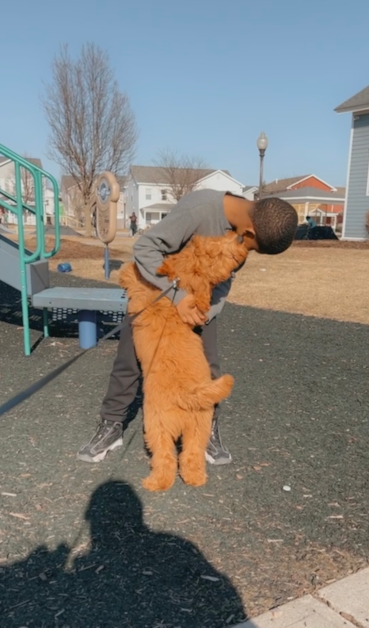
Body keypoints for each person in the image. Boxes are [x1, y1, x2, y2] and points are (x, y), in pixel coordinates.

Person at [77, 190, 298, 466]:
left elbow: (225, 278)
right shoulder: (199, 209)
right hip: (153, 295)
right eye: (253, 248)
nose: (246, 252)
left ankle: (207, 430)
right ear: (250, 233)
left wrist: (207, 312)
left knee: (208, 366)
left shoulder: (245, 232)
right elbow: (145, 248)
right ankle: (111, 425)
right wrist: (177, 297)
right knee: (128, 362)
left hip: (198, 306)